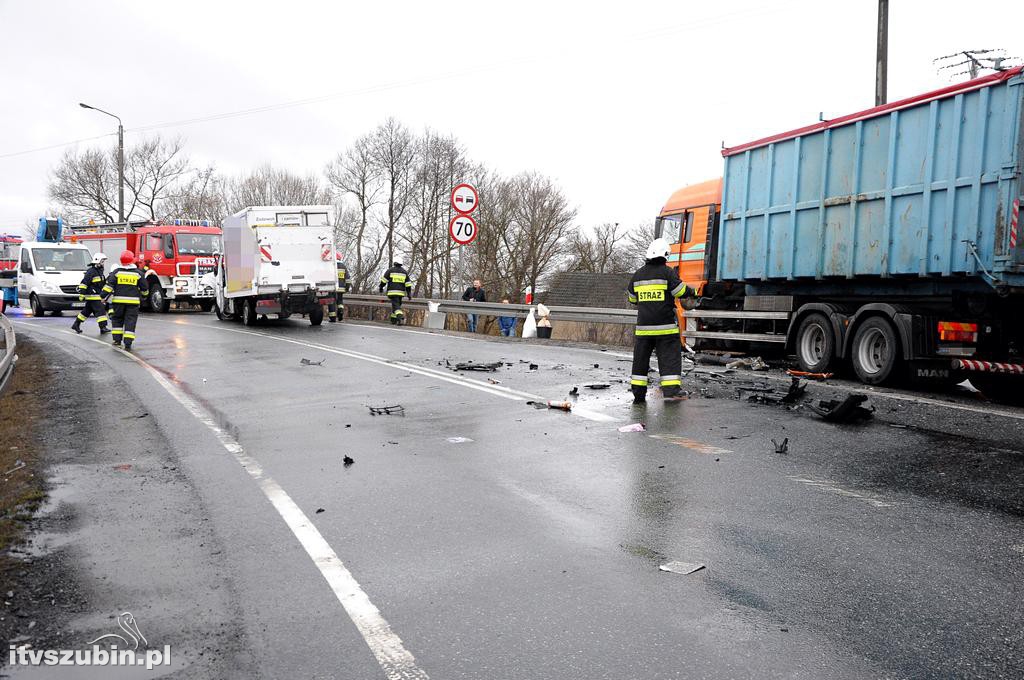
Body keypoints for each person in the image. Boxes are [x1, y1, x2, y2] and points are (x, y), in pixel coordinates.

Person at [626, 237, 695, 403]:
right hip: (665, 328)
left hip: (644, 329)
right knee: (669, 358)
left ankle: (638, 394)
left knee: (640, 361)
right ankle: (671, 391)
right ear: (665, 255)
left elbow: (632, 299)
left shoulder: (638, 275)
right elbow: (680, 291)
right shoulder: (667, 272)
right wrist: (692, 291)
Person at [101, 250, 149, 351]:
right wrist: (144, 296)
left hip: (118, 303)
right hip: (133, 304)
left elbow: (109, 286)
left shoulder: (117, 272)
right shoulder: (138, 274)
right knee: (130, 321)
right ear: (132, 261)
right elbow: (145, 288)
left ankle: (117, 340)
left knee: (117, 320)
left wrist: (102, 296)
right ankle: (128, 343)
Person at [71, 252, 110, 335]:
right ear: (97, 261)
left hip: (96, 295)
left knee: (86, 312)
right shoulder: (91, 272)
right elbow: (84, 283)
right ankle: (103, 327)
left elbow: (101, 283)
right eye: (102, 261)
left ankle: (76, 324)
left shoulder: (99, 271)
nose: (103, 263)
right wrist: (82, 294)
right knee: (101, 311)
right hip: (93, 296)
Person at [379, 261, 412, 325]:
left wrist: (381, 287)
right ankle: (394, 320)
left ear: (395, 263)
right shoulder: (404, 272)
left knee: (396, 306)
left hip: (392, 292)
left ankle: (400, 317)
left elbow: (384, 280)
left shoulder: (390, 270)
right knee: (396, 306)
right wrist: (409, 294)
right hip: (401, 293)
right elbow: (408, 284)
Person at [328, 253, 350, 323]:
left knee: (332, 302)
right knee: (340, 302)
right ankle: (340, 312)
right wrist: (347, 288)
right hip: (341, 288)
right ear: (340, 258)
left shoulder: (331, 266)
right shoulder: (343, 266)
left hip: (332, 288)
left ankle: (332, 318)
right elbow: (348, 279)